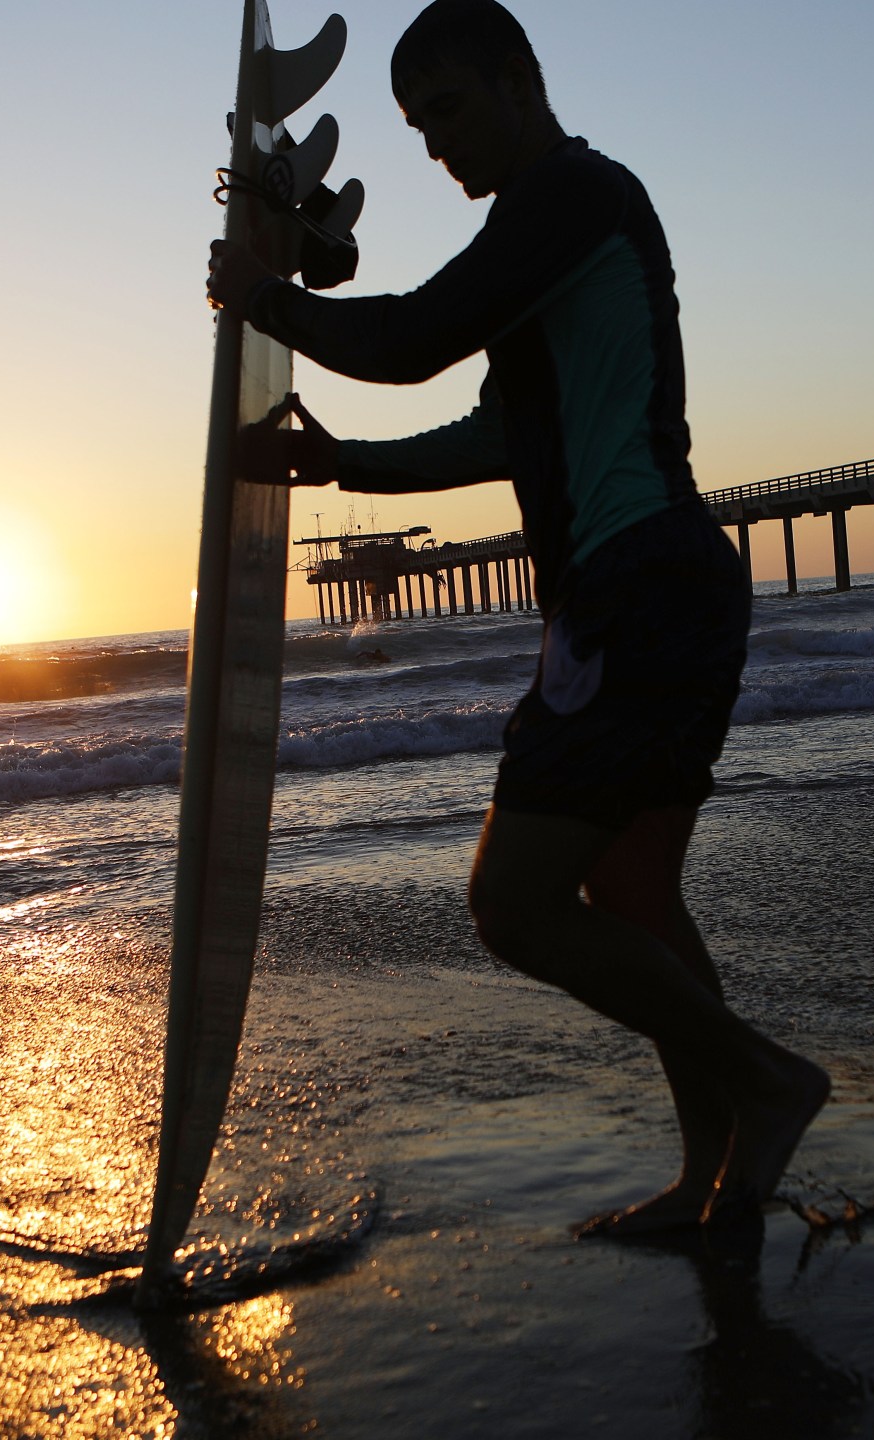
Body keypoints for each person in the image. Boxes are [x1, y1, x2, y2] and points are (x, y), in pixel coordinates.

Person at [205, 0, 825, 1234]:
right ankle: (718, 1177)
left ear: (519, 78)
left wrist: (266, 298)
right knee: (637, 902)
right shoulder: (547, 243)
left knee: (512, 904)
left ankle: (769, 1083)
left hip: (639, 589)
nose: (439, 148)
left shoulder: (572, 197)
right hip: (659, 593)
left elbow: (416, 336)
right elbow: (500, 429)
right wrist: (349, 469)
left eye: (450, 108)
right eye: (417, 126)